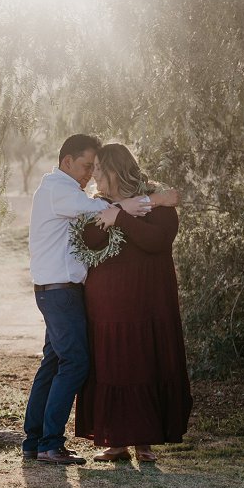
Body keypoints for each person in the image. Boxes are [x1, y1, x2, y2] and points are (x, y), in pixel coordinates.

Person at [23, 134, 176, 465]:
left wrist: (145, 204)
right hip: (65, 293)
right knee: (77, 363)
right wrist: (150, 201)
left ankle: (35, 441)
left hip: (75, 293)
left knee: (55, 362)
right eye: (86, 166)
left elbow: (149, 237)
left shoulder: (68, 192)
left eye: (96, 168)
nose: (90, 175)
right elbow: (95, 219)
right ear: (67, 163)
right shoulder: (61, 191)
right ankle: (51, 443)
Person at [74, 142, 192, 462]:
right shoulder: (95, 206)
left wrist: (122, 216)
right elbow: (91, 239)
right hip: (109, 301)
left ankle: (145, 443)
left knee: (145, 362)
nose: (94, 174)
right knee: (114, 365)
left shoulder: (158, 203)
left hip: (150, 297)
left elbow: (158, 241)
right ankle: (116, 441)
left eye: (100, 168)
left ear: (116, 169)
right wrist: (117, 210)